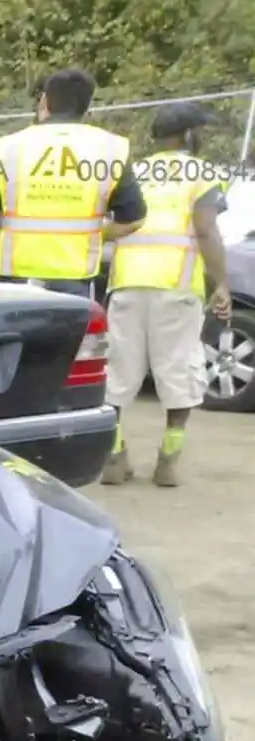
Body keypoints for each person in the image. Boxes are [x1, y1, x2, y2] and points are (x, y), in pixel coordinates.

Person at [101, 102, 233, 487]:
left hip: (126, 282)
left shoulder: (131, 171)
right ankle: (168, 462)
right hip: (176, 286)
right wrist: (221, 282)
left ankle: (115, 458)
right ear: (190, 134)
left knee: (118, 375)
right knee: (179, 372)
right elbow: (205, 229)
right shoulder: (205, 173)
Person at [0, 68, 146, 296]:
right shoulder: (110, 148)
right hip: (74, 282)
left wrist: (0, 277)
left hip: (17, 282)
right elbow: (133, 220)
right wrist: (89, 235)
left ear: (45, 101)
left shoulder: (8, 147)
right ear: (87, 107)